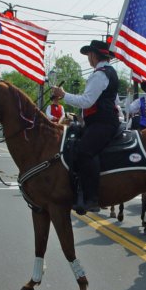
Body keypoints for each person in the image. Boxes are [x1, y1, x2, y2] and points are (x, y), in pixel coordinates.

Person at [51, 39, 119, 213]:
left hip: (103, 124)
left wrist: (63, 94)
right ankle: (78, 189)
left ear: (94, 55)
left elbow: (87, 101)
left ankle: (92, 197)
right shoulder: (105, 73)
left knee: (84, 151)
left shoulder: (100, 74)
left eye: (89, 54)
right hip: (101, 122)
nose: (88, 57)